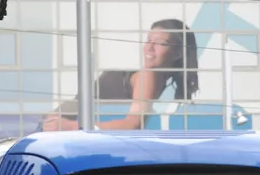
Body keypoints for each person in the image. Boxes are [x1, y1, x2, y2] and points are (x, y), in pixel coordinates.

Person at [44, 19, 199, 131]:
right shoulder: (149, 76)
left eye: (159, 43)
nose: (149, 48)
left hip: (61, 125)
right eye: (148, 40)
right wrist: (72, 127)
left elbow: (133, 124)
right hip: (58, 125)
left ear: (178, 53)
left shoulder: (156, 79)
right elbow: (132, 124)